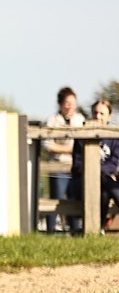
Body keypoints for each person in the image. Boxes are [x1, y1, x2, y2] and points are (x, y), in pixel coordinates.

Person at [70, 99, 119, 231]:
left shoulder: (114, 136)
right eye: (95, 113)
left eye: (102, 114)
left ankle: (99, 229)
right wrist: (97, 171)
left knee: (103, 192)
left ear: (109, 116)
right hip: (82, 182)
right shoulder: (82, 136)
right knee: (106, 182)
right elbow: (78, 164)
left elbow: (113, 165)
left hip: (104, 183)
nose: (98, 117)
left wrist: (100, 172)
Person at [42, 86, 85, 232]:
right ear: (60, 103)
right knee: (56, 199)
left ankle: (74, 231)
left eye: (73, 103)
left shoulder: (80, 120)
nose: (70, 106)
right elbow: (47, 144)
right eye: (67, 103)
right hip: (58, 166)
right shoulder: (52, 120)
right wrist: (70, 149)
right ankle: (51, 230)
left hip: (75, 167)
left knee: (74, 198)